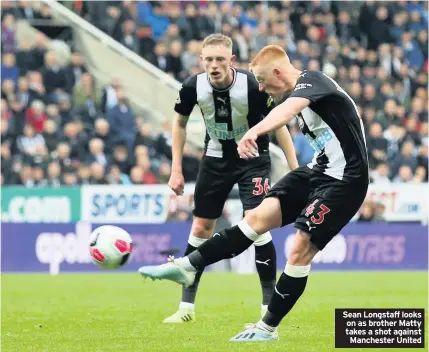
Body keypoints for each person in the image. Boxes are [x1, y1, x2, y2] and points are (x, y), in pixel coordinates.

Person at [139, 44, 369, 341]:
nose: (260, 87)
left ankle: (267, 327)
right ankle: (188, 266)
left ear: (277, 72)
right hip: (318, 171)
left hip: (346, 180)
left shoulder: (313, 81)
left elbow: (288, 110)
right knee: (257, 218)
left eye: (261, 80)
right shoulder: (296, 94)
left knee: (300, 247)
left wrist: (254, 131)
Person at [160, 35, 299, 324]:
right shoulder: (191, 87)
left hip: (252, 160)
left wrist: (294, 166)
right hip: (214, 160)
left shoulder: (251, 85)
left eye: (220, 59)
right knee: (201, 227)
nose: (214, 65)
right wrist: (176, 168)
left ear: (231, 61)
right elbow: (179, 123)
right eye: (208, 59)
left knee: (257, 223)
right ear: (201, 61)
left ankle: (266, 310)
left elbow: (280, 125)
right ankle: (186, 308)